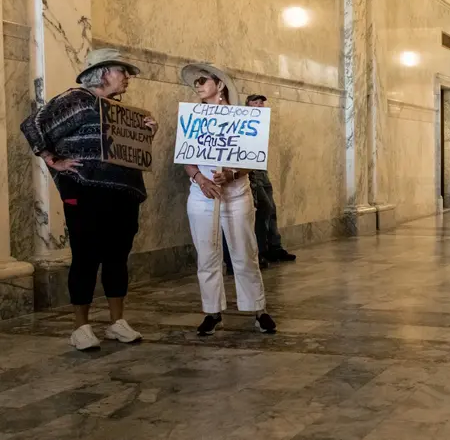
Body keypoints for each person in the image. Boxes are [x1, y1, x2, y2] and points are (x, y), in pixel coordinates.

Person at [20, 49, 158, 350]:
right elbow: (33, 126)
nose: (128, 78)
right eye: (123, 71)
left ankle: (117, 322)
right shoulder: (76, 100)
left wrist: (146, 130)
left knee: (117, 256)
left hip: (124, 193)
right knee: (86, 256)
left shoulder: (119, 110)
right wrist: (53, 159)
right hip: (85, 192)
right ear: (104, 72)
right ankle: (80, 327)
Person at [179, 62, 277, 336]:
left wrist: (231, 174)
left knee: (245, 252)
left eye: (203, 79)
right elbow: (186, 159)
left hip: (236, 195)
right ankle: (212, 312)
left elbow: (252, 158)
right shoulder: (192, 117)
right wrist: (201, 179)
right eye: (195, 81)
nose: (198, 85)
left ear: (219, 84)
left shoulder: (241, 117)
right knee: (207, 255)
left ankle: (259, 309)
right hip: (201, 195)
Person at [222, 94, 295, 274]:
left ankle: (273, 247)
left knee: (270, 209)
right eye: (256, 102)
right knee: (262, 209)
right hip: (249, 173)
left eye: (262, 102)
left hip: (260, 170)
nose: (260, 104)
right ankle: (260, 251)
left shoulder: (261, 122)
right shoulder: (244, 120)